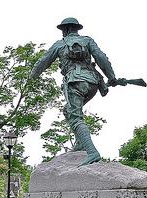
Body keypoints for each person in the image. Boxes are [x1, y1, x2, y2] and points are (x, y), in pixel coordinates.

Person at [30, 17, 117, 166]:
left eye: (62, 30)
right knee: (68, 110)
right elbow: (102, 58)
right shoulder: (88, 41)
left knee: (74, 116)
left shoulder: (60, 44)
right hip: (93, 84)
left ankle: (92, 152)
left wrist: (32, 76)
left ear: (66, 29)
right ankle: (80, 144)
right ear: (76, 28)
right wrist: (112, 76)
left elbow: (42, 62)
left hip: (75, 82)